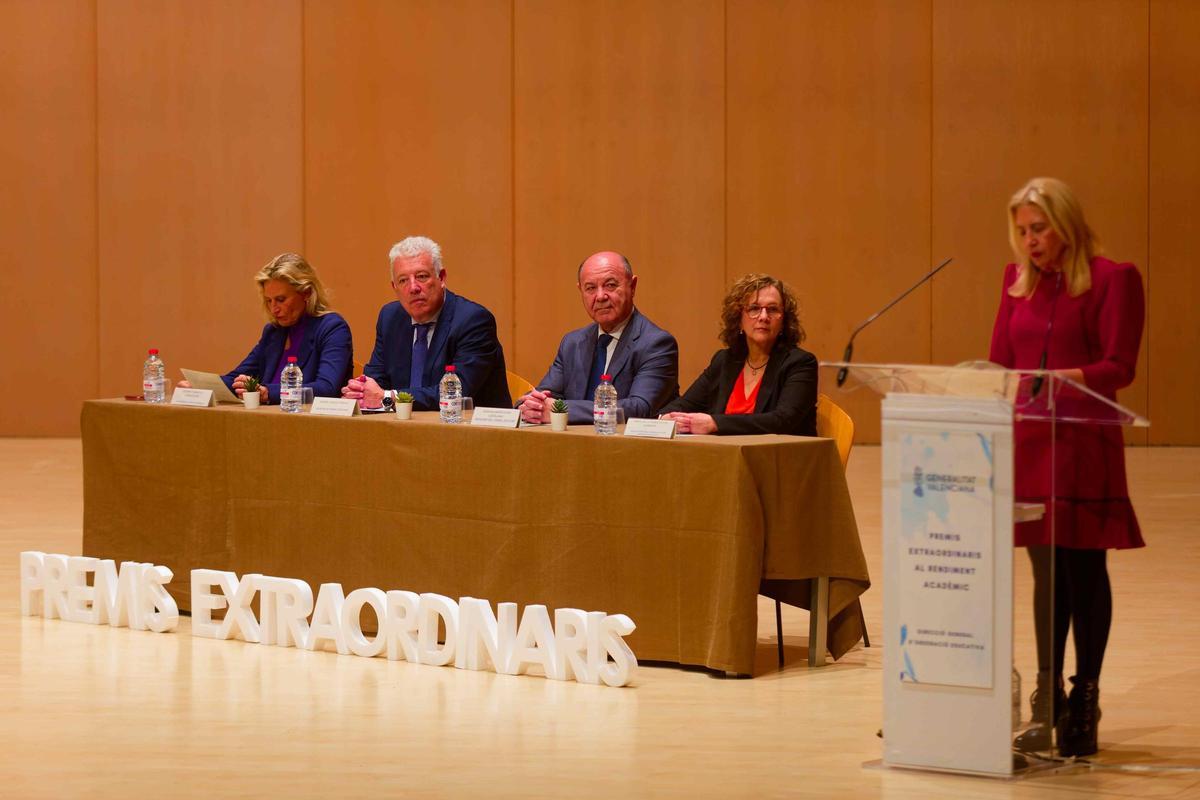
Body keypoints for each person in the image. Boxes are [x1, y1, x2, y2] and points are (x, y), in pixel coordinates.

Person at [990, 177, 1145, 758]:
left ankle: (1085, 697)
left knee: (1083, 576)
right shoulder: (1015, 284)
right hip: (1029, 446)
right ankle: (1046, 695)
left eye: (1040, 228)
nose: (1030, 241)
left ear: (1067, 223)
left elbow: (1118, 366)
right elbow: (1001, 362)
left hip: (1083, 448)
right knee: (1045, 578)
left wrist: (1062, 382)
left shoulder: (1113, 279)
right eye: (1023, 231)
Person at [343, 236, 510, 410]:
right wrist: (361, 391)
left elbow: (455, 394)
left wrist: (387, 398)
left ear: (442, 278)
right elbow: (376, 380)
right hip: (402, 429)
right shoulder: (390, 318)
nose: (413, 288)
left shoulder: (473, 320)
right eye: (403, 280)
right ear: (395, 288)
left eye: (421, 276)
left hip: (468, 430)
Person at [517, 251, 678, 425]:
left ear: (633, 286)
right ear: (581, 291)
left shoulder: (656, 343)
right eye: (591, 288)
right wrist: (528, 406)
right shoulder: (572, 343)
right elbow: (544, 395)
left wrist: (560, 410)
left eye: (610, 285)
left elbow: (639, 408)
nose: (600, 296)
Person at [658, 273, 816, 435]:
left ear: (784, 321)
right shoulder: (724, 361)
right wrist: (666, 418)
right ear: (738, 318)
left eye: (773, 309)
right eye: (754, 308)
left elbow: (782, 421)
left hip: (779, 457)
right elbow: (684, 405)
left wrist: (715, 423)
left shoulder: (800, 363)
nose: (763, 317)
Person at [216, 253, 353, 404]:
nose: (274, 309)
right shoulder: (273, 332)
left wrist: (269, 393)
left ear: (306, 293)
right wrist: (201, 387)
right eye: (269, 301)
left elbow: (326, 389)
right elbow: (237, 377)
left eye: (281, 300)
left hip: (312, 421)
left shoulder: (332, 328)